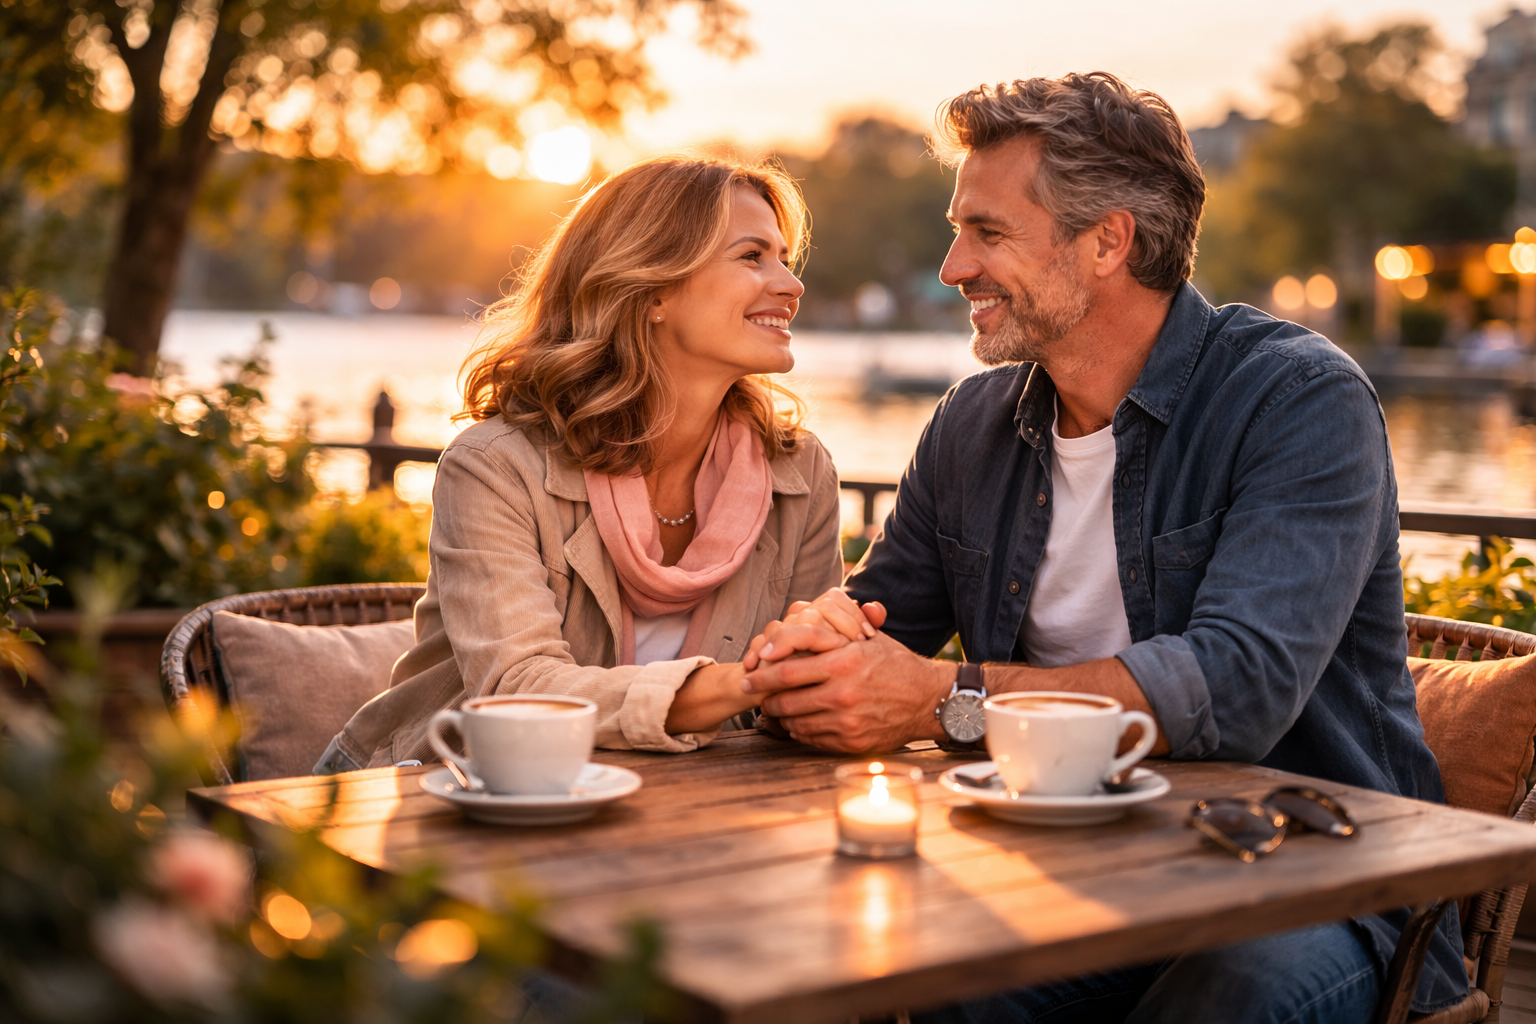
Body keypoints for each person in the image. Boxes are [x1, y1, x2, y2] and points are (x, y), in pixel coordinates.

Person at [741, 73, 1467, 1022]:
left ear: (1107, 242)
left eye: (988, 233)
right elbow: (882, 621)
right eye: (958, 229)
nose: (954, 265)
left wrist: (945, 698)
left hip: (1310, 878)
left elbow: (1233, 686)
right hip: (1070, 864)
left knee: (1225, 1002)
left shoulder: (1297, 400)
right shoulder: (972, 425)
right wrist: (817, 654)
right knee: (898, 975)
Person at [315, 156, 843, 774]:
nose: (791, 283)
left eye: (783, 257)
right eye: (752, 256)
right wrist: (746, 685)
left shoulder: (802, 474)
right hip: (445, 803)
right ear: (653, 291)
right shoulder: (493, 468)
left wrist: (830, 655)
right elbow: (519, 691)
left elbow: (806, 697)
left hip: (679, 813)